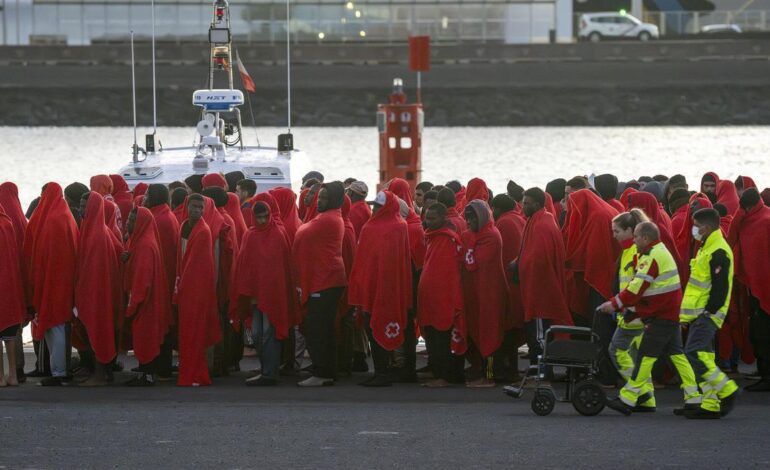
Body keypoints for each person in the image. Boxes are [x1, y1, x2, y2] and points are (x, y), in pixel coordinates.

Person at [600, 222, 701, 416]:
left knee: (645, 356)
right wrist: (635, 311)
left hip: (661, 316)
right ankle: (693, 397)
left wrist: (613, 304)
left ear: (645, 238)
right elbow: (654, 291)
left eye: (636, 237)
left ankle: (628, 398)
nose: (634, 241)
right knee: (677, 356)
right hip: (668, 313)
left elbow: (637, 287)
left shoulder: (651, 257)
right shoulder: (660, 251)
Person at [677, 208, 740, 418]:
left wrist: (708, 312)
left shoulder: (718, 251)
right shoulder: (706, 247)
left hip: (708, 313)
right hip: (699, 312)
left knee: (693, 353)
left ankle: (727, 389)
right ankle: (710, 404)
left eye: (696, 225)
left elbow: (720, 288)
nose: (693, 229)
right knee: (704, 356)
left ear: (705, 227)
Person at [349, 191, 412, 387]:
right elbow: (365, 259)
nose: (374, 209)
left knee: (381, 325)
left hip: (389, 286)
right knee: (371, 325)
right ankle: (381, 370)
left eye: (377, 206)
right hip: (373, 285)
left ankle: (385, 371)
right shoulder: (375, 226)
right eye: (374, 205)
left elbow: (398, 262)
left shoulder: (398, 227)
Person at [231, 202, 295, 386]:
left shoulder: (278, 233)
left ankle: (269, 372)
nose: (262, 220)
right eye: (258, 217)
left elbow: (281, 267)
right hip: (255, 294)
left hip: (273, 294)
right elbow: (245, 265)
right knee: (258, 333)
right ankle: (267, 367)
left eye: (265, 216)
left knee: (268, 333)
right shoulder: (250, 235)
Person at [510, 188, 572, 375]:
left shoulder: (541, 225)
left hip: (540, 291)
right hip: (536, 288)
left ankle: (542, 373)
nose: (523, 206)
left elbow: (538, 260)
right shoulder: (538, 221)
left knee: (539, 335)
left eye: (527, 203)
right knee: (537, 333)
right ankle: (540, 370)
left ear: (537, 204)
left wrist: (520, 266)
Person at [292, 182, 348, 387]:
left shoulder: (329, 219)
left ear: (333, 199)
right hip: (326, 279)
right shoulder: (329, 217)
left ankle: (323, 372)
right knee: (323, 329)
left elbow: (301, 233)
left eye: (324, 197)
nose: (319, 201)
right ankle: (326, 370)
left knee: (318, 329)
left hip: (325, 281)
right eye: (319, 197)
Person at [562, 189, 620, 385]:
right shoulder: (605, 212)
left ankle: (605, 374)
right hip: (610, 279)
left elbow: (593, 255)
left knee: (600, 330)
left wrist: (569, 261)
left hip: (600, 282)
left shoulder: (597, 218)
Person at [23, 183, 79, 386]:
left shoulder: (52, 220)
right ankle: (61, 370)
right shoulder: (65, 216)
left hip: (52, 281)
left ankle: (59, 372)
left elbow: (42, 255)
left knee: (54, 325)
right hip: (64, 280)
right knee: (61, 325)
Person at [461, 199, 509, 388]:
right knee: (478, 332)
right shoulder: (474, 235)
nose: (469, 222)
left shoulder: (491, 236)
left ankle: (489, 376)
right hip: (476, 294)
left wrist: (468, 241)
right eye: (467, 218)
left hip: (490, 293)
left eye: (472, 218)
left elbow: (474, 263)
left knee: (490, 335)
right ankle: (480, 369)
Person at [75, 193, 121, 386]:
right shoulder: (98, 230)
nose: (81, 210)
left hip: (97, 293)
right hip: (98, 291)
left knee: (99, 331)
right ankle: (104, 372)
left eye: (85, 206)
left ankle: (100, 375)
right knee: (98, 331)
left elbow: (94, 270)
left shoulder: (97, 235)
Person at [418, 203, 465, 387]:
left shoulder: (447, 239)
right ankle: (439, 373)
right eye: (426, 218)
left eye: (432, 218)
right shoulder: (433, 237)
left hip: (442, 298)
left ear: (443, 218)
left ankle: (444, 376)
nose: (428, 222)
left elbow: (447, 273)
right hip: (430, 297)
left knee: (441, 338)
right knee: (432, 337)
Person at [175, 194, 220, 386]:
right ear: (187, 206)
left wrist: (182, 287)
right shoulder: (185, 225)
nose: (197, 211)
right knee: (187, 334)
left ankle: (195, 373)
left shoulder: (203, 231)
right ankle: (191, 370)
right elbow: (182, 258)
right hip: (185, 288)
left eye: (201, 208)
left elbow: (198, 267)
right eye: (194, 206)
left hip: (196, 292)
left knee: (194, 334)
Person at [123, 207, 172, 386]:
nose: (128, 222)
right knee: (145, 335)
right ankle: (146, 372)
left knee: (145, 335)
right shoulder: (142, 241)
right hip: (149, 300)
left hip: (146, 302)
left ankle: (147, 374)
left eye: (132, 220)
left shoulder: (144, 245)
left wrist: (133, 303)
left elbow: (142, 280)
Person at [728, 188, 770, 391]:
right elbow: (732, 237)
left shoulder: (763, 221)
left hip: (763, 286)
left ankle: (767, 377)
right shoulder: (756, 218)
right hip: (756, 286)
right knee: (758, 332)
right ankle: (765, 374)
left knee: (762, 333)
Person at [608, 210, 650, 393]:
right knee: (634, 357)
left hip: (634, 314)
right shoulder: (628, 250)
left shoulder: (634, 252)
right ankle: (643, 394)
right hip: (630, 313)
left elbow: (638, 284)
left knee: (617, 351)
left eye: (617, 231)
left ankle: (638, 391)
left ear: (630, 230)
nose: (614, 235)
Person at [142, 184, 179, 378]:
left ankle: (159, 366)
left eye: (147, 194)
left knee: (159, 323)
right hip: (168, 276)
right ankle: (162, 365)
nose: (144, 198)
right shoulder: (166, 215)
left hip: (162, 278)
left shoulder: (157, 219)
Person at [490, 194, 526, 382]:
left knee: (502, 332)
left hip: (507, 283)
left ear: (497, 208)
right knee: (511, 331)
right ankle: (511, 370)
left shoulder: (503, 223)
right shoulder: (519, 219)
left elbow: (499, 258)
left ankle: (500, 372)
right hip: (518, 283)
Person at [0, 203, 25, 387]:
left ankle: (0, 377)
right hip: (10, 284)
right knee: (9, 335)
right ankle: (13, 376)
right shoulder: (8, 224)